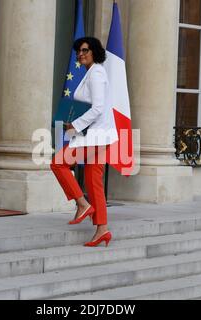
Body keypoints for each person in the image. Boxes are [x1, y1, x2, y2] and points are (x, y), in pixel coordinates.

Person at [51, 37, 119, 247]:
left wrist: (75, 126)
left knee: (58, 163)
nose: (80, 54)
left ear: (94, 51)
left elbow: (97, 108)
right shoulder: (92, 73)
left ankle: (82, 204)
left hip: (95, 135)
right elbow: (92, 106)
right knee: (93, 180)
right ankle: (102, 229)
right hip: (100, 134)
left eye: (85, 50)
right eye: (78, 51)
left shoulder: (97, 73)